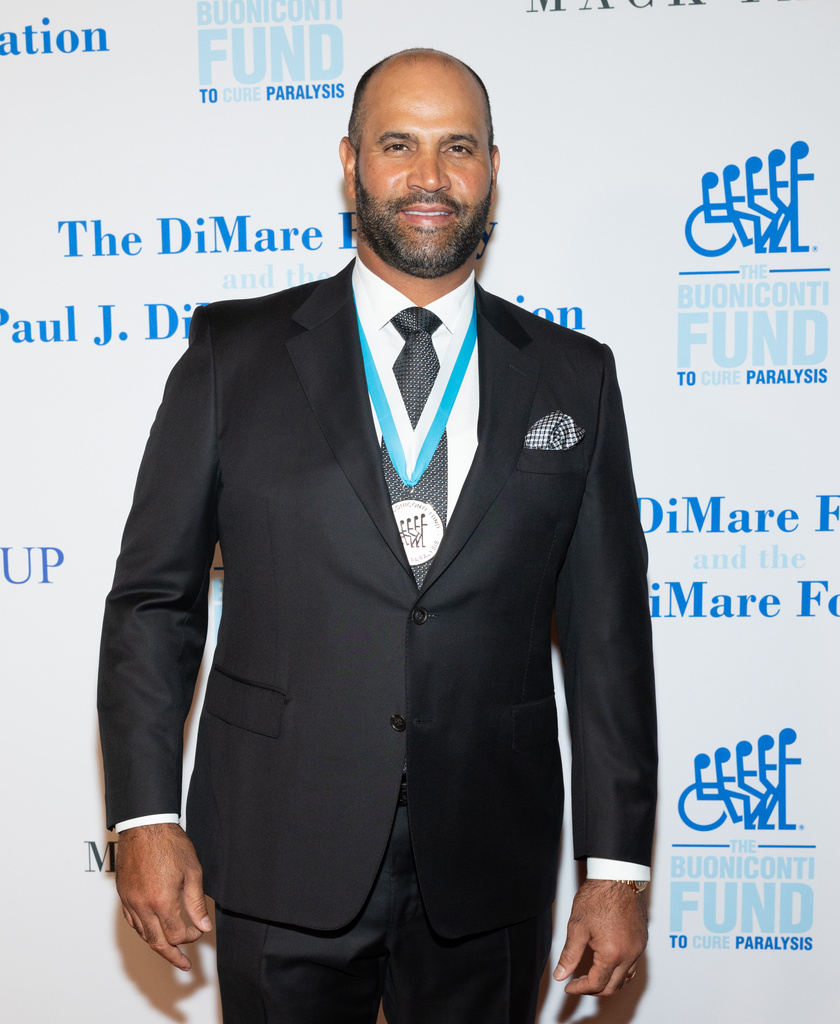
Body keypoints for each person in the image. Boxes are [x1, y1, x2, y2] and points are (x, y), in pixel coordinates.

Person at [98, 48, 657, 1024]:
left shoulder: (576, 376)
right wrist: (145, 815)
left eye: (458, 148)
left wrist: (615, 868)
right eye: (399, 145)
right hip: (280, 842)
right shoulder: (234, 355)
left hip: (490, 859)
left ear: (492, 169)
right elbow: (154, 603)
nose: (429, 177)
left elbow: (608, 636)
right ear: (351, 162)